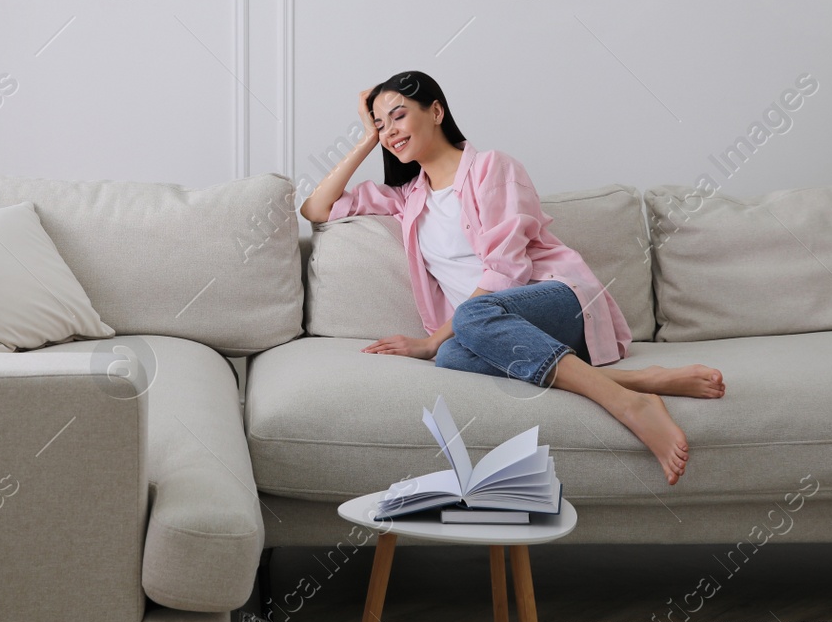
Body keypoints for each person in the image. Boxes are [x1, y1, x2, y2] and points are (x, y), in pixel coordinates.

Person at [298, 70, 724, 485]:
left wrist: (430, 340)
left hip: (559, 302)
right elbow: (316, 209)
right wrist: (367, 139)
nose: (390, 130)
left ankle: (629, 405)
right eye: (380, 123)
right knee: (451, 359)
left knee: (458, 330)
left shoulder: (491, 168)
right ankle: (641, 381)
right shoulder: (408, 197)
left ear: (436, 111)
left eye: (398, 115)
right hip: (493, 329)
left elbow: (507, 272)